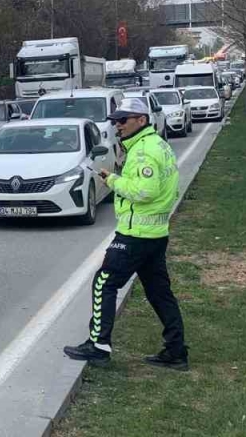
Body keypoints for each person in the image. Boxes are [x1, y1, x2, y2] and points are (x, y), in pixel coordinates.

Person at [64, 97, 188, 370]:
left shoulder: (144, 151)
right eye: (115, 121)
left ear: (141, 121)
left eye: (123, 120)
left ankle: (98, 346)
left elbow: (145, 191)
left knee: (104, 282)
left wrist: (112, 180)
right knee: (159, 292)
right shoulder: (158, 145)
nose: (117, 126)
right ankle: (176, 350)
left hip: (136, 234)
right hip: (155, 233)